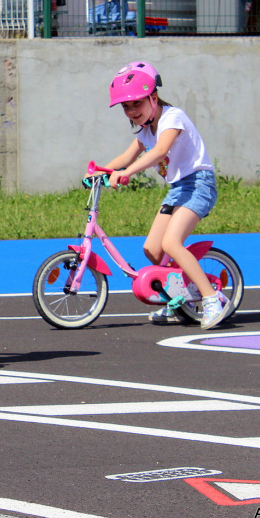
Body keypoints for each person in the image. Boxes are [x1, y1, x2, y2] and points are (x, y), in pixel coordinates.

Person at [101, 61, 231, 330]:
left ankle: (211, 299)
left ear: (153, 97)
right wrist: (99, 171)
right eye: (126, 107)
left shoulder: (173, 118)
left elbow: (159, 152)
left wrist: (128, 173)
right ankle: (178, 300)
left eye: (137, 103)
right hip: (178, 189)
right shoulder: (145, 131)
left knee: (172, 243)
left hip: (198, 185)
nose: (132, 111)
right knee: (153, 249)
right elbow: (126, 156)